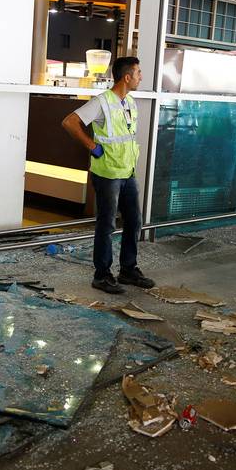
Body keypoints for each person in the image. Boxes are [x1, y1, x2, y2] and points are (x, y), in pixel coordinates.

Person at [62, 56, 155, 294]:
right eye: (138, 73)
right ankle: (102, 275)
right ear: (127, 77)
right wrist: (91, 146)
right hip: (108, 174)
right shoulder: (102, 102)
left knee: (135, 221)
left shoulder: (130, 103)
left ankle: (128, 270)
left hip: (127, 172)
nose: (141, 76)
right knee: (107, 224)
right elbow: (70, 122)